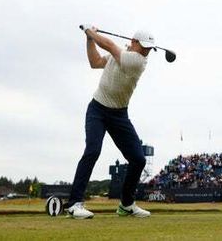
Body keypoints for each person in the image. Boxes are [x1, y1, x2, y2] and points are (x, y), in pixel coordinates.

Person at [66, 24, 156, 219]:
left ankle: (126, 204)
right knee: (92, 151)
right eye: (145, 46)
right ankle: (74, 203)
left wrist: (91, 32)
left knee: (138, 159)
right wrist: (90, 40)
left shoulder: (137, 61)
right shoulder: (121, 56)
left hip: (119, 115)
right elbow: (95, 61)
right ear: (134, 43)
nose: (147, 51)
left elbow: (108, 45)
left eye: (150, 48)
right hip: (97, 109)